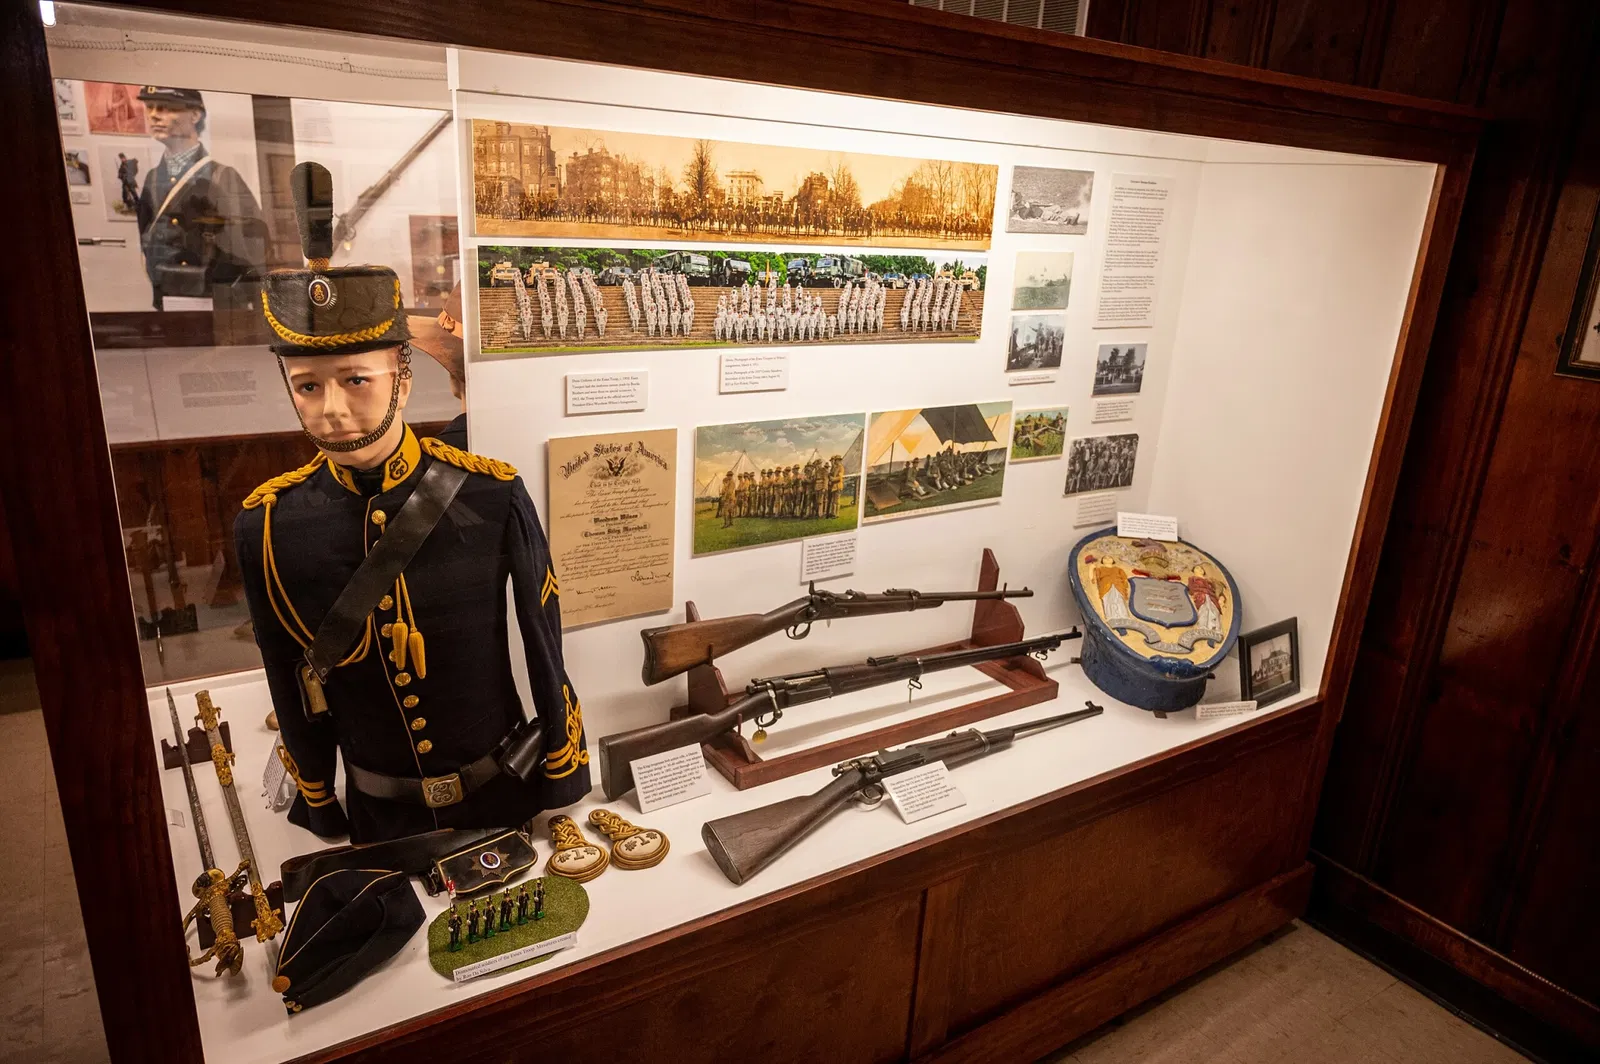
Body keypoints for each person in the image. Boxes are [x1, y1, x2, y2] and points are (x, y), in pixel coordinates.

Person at [235, 163, 588, 845]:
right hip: (380, 817)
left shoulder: (491, 494)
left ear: (401, 378)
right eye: (306, 387)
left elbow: (543, 647)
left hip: (499, 798)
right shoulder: (269, 525)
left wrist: (559, 774)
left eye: (356, 380)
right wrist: (319, 798)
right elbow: (288, 675)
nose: (332, 408)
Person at [133, 86, 265, 310]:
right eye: (150, 107)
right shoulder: (153, 178)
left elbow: (252, 248)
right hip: (168, 298)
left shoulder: (222, 177)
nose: (153, 114)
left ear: (195, 115)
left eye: (165, 107)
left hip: (216, 302)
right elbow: (147, 240)